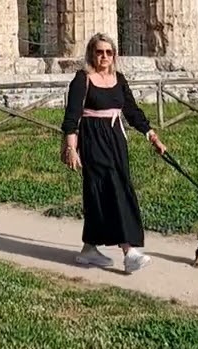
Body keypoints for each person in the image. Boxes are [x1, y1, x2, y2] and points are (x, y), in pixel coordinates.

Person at [60, 32, 167, 273]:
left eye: (109, 52)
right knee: (111, 189)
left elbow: (131, 111)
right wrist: (71, 148)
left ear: (114, 55)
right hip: (92, 140)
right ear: (91, 54)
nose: (104, 56)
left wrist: (152, 136)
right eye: (99, 52)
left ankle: (89, 249)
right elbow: (71, 116)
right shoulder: (82, 79)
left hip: (116, 140)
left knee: (105, 191)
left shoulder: (119, 79)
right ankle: (129, 252)